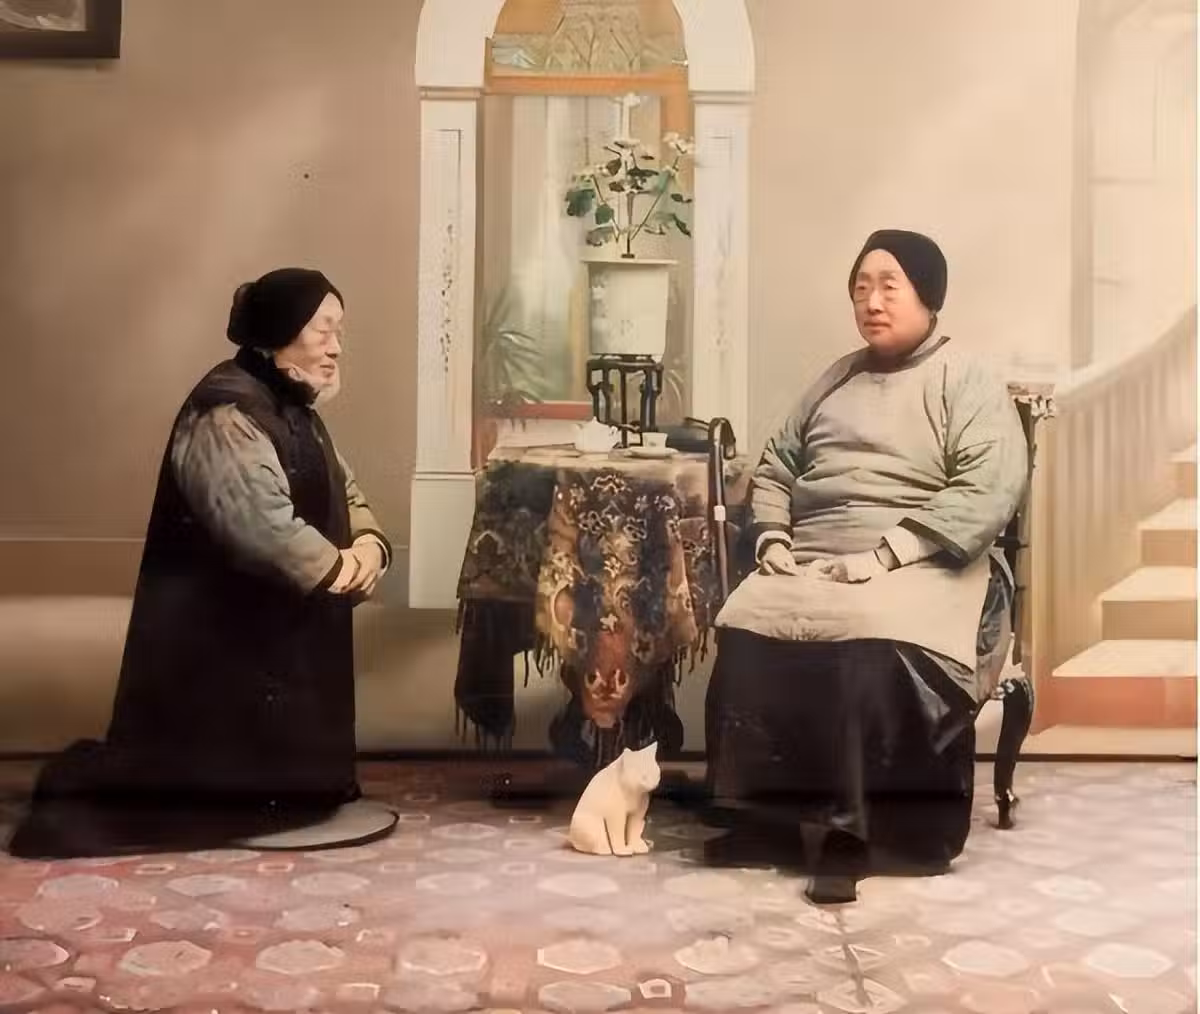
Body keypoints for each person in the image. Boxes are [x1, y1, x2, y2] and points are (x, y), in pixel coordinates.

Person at [9, 268, 392, 858]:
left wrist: (369, 546)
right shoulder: (225, 411)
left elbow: (349, 492)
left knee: (301, 787)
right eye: (323, 331)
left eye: (339, 331)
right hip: (220, 647)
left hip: (289, 640)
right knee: (205, 794)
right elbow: (257, 526)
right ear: (281, 329)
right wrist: (340, 569)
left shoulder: (297, 410)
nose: (336, 347)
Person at [703, 230, 1029, 900]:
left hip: (927, 560)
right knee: (749, 622)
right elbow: (776, 466)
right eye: (860, 288)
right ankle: (765, 823)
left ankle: (854, 834)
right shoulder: (836, 377)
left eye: (888, 287)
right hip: (816, 556)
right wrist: (773, 541)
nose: (871, 302)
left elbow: (988, 485)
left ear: (928, 296)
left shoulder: (966, 378)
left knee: (867, 639)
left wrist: (885, 555)